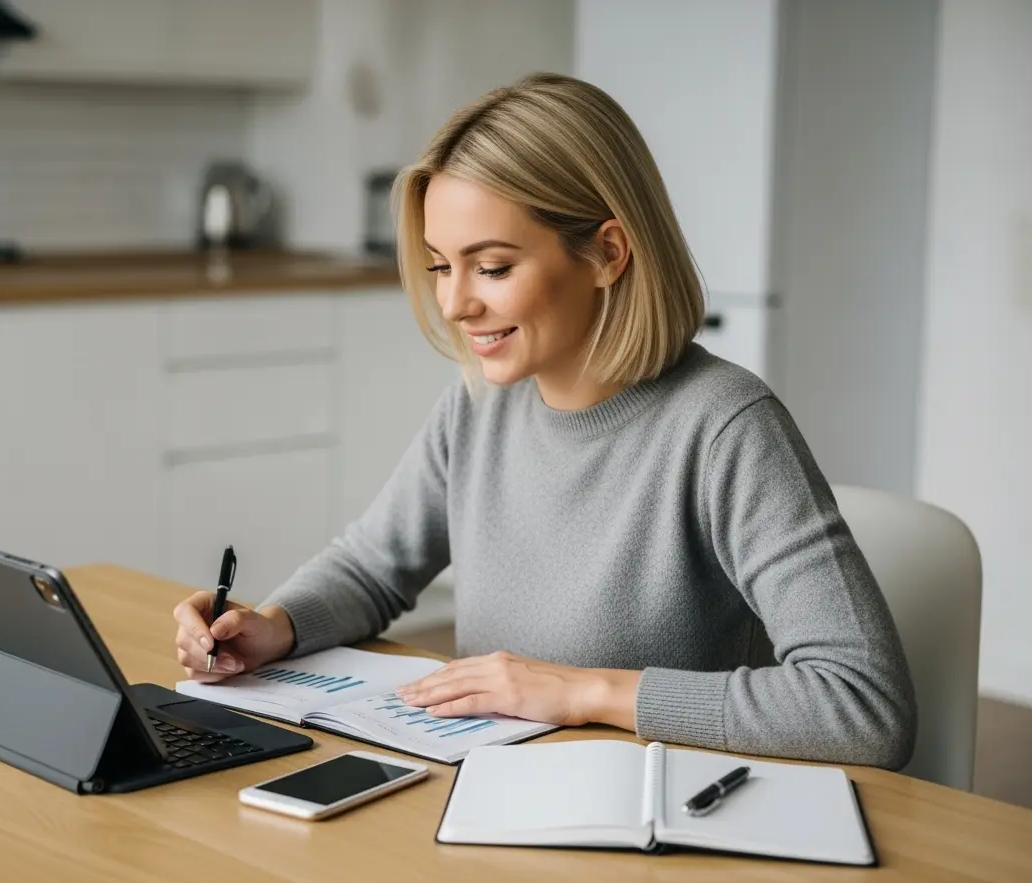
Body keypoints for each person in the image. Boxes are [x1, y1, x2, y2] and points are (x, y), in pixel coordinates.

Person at [173, 72, 916, 769]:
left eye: (492, 267)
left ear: (607, 252)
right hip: (493, 798)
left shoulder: (725, 427)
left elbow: (864, 704)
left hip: (656, 823)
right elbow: (372, 567)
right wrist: (275, 626)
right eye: (441, 266)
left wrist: (582, 692)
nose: (456, 304)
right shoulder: (476, 407)